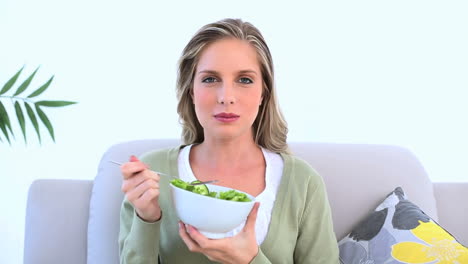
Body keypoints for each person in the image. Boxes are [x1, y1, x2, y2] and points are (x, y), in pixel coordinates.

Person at [118, 18, 339, 263]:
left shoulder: (303, 182)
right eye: (210, 79)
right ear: (191, 90)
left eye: (244, 80)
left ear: (263, 93)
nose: (226, 97)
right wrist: (147, 218)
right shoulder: (153, 175)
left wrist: (250, 259)